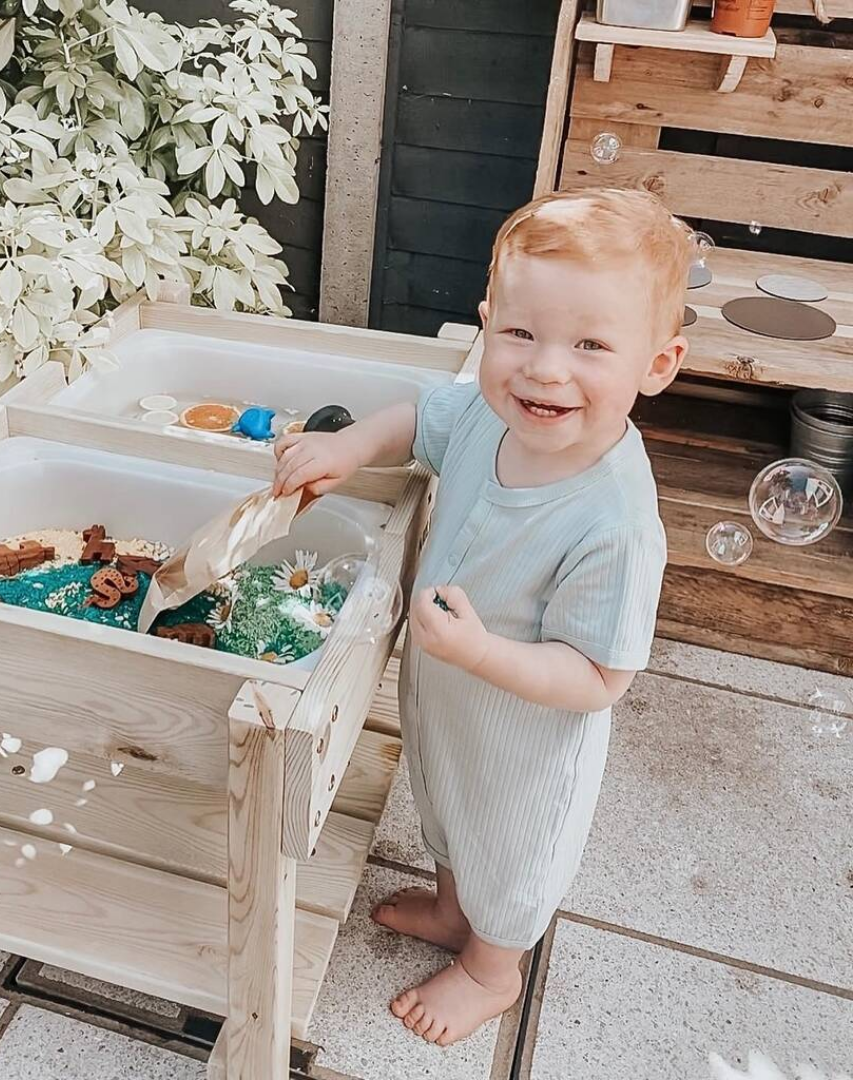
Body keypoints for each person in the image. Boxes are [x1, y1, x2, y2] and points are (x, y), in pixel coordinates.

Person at [273, 188, 693, 1045]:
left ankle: (491, 970)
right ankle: (451, 908)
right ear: (487, 323)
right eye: (521, 333)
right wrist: (349, 447)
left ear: (657, 364)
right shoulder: (485, 415)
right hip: (451, 702)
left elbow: (598, 677)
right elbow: (420, 418)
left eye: (590, 345)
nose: (545, 369)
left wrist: (479, 653)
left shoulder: (613, 522)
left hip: (524, 748)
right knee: (444, 808)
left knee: (507, 855)